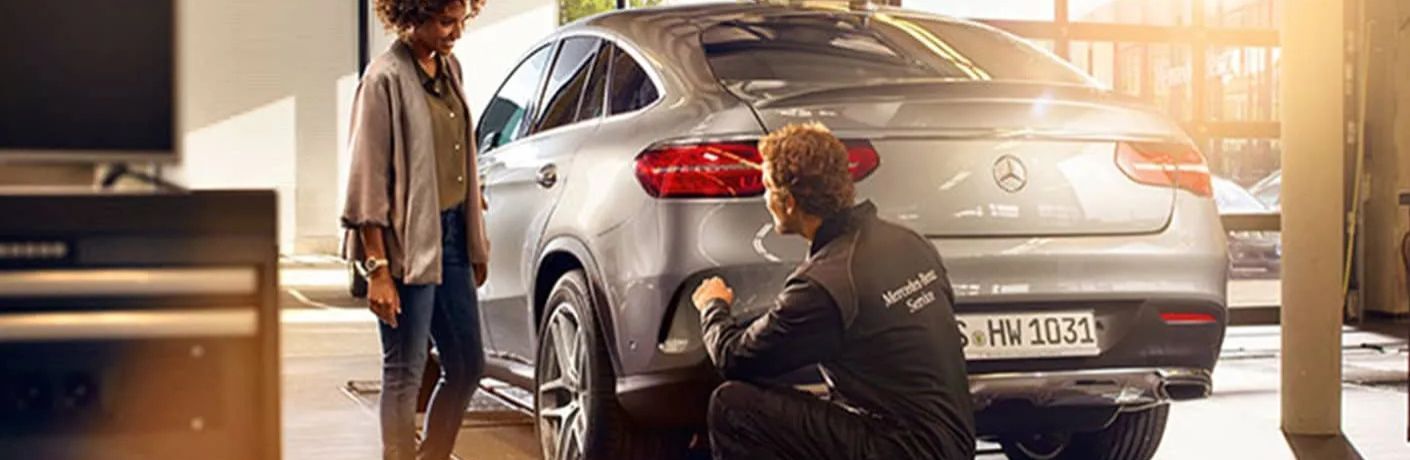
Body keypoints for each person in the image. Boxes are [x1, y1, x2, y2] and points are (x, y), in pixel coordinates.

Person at [691, 122, 976, 460]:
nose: (765, 199)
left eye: (767, 188)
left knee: (733, 404)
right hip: (955, 446)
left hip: (899, 449)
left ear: (789, 202)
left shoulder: (825, 282)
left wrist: (713, 306)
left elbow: (734, 358)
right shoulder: (911, 242)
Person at [341, 0, 489, 458]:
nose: (456, 32)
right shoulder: (383, 78)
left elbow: (457, 155)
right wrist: (378, 270)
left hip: (451, 240)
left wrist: (473, 237)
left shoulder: (450, 69)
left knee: (467, 365)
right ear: (413, 16)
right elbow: (367, 180)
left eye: (462, 20)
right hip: (404, 246)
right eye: (446, 21)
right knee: (405, 371)